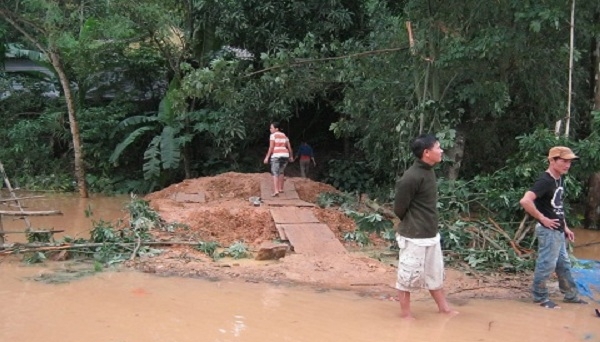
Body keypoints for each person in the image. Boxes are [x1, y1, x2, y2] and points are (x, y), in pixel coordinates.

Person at [393, 133, 457, 319]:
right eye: (438, 147)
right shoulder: (411, 177)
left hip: (430, 234)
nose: (441, 150)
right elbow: (399, 208)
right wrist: (414, 222)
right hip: (413, 237)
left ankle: (444, 309)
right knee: (407, 277)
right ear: (427, 153)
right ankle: (406, 316)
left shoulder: (429, 170)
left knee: (435, 274)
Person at [519, 146, 588, 309]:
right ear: (552, 160)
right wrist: (543, 218)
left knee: (563, 264)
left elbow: (557, 207)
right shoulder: (545, 181)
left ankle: (571, 295)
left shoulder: (559, 179)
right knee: (546, 264)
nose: (567, 165)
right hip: (548, 231)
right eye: (564, 161)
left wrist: (565, 227)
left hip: (558, 231)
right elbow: (525, 201)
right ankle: (540, 297)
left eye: (569, 162)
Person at [263, 122, 293, 197]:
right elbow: (289, 147)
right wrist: (291, 156)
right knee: (281, 172)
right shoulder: (284, 136)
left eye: (271, 128)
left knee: (275, 172)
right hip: (285, 155)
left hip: (276, 155)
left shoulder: (273, 135)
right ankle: (281, 188)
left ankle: (276, 191)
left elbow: (271, 147)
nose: (270, 129)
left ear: (276, 129)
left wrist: (267, 157)